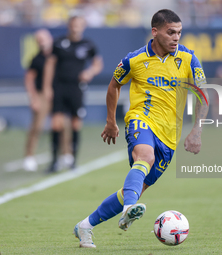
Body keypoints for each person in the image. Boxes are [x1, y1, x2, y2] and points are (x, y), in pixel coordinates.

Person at [73, 9, 209, 248]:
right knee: (145, 156)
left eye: (179, 33)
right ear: (155, 32)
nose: (176, 38)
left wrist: (197, 130)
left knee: (134, 190)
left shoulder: (188, 58)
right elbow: (114, 85)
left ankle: (85, 226)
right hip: (140, 119)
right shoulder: (134, 60)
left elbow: (202, 94)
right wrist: (111, 121)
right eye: (171, 32)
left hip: (169, 135)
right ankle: (129, 209)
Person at [43, 16, 103, 173]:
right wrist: (47, 87)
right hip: (60, 87)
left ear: (83, 27)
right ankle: (54, 161)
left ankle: (73, 160)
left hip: (77, 87)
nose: (75, 28)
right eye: (73, 25)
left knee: (76, 123)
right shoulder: (59, 43)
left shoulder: (87, 45)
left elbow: (98, 63)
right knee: (56, 123)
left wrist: (89, 72)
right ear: (69, 26)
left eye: (79, 25)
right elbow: (50, 65)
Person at [23, 29, 53, 172]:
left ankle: (65, 155)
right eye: (39, 40)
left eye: (44, 39)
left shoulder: (56, 56)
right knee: (37, 126)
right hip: (42, 94)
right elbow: (29, 80)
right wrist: (33, 98)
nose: (42, 42)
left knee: (63, 124)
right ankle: (29, 156)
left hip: (57, 94)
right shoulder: (36, 59)